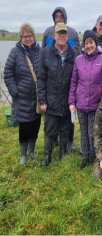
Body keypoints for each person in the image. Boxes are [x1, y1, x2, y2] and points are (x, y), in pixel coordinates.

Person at [69, 30, 102, 169]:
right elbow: (74, 82)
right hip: (81, 104)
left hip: (96, 105)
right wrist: (72, 101)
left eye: (91, 42)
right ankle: (85, 156)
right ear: (83, 44)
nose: (89, 46)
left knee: (93, 133)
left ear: (95, 43)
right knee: (83, 133)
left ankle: (95, 157)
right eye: (86, 43)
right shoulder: (78, 60)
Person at [37, 22, 78, 167]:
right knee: (49, 129)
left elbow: (77, 78)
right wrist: (42, 100)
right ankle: (47, 155)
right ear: (54, 35)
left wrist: (75, 101)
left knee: (65, 129)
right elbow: (41, 78)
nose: (61, 36)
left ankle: (62, 154)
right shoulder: (45, 53)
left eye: (64, 33)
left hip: (68, 101)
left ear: (67, 36)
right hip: (51, 101)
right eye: (59, 33)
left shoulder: (74, 54)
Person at [42, 6, 80, 151]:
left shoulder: (74, 33)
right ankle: (53, 141)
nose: (58, 18)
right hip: (52, 77)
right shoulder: (47, 32)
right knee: (52, 116)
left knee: (67, 115)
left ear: (65, 17)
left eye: (61, 16)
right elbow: (44, 53)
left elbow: (78, 55)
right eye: (56, 16)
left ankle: (69, 140)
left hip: (68, 80)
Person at [4, 23, 42, 165]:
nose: (28, 38)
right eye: (25, 36)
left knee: (36, 124)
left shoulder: (40, 51)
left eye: (30, 35)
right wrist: (15, 91)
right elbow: (8, 74)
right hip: (22, 97)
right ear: (21, 37)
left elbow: (43, 71)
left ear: (33, 36)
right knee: (24, 127)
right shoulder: (15, 52)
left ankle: (31, 151)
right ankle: (23, 154)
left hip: (37, 96)